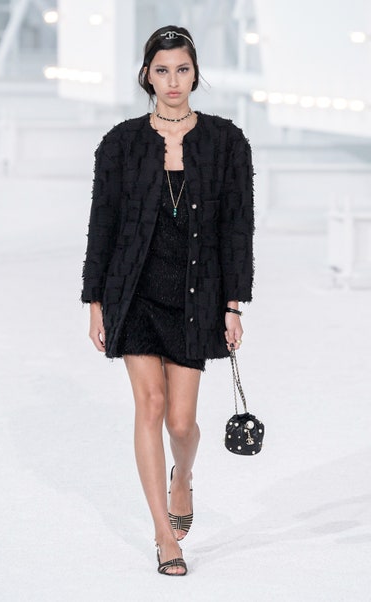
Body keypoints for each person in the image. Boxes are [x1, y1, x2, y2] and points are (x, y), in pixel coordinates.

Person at [81, 25, 254, 576]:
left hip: (195, 293)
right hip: (133, 290)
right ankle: (163, 533)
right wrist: (95, 301)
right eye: (162, 70)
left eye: (182, 69)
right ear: (146, 75)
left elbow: (237, 228)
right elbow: (102, 224)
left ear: (195, 74)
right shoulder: (121, 143)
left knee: (181, 423)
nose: (173, 81)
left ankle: (184, 477)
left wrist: (233, 305)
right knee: (150, 405)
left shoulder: (227, 141)